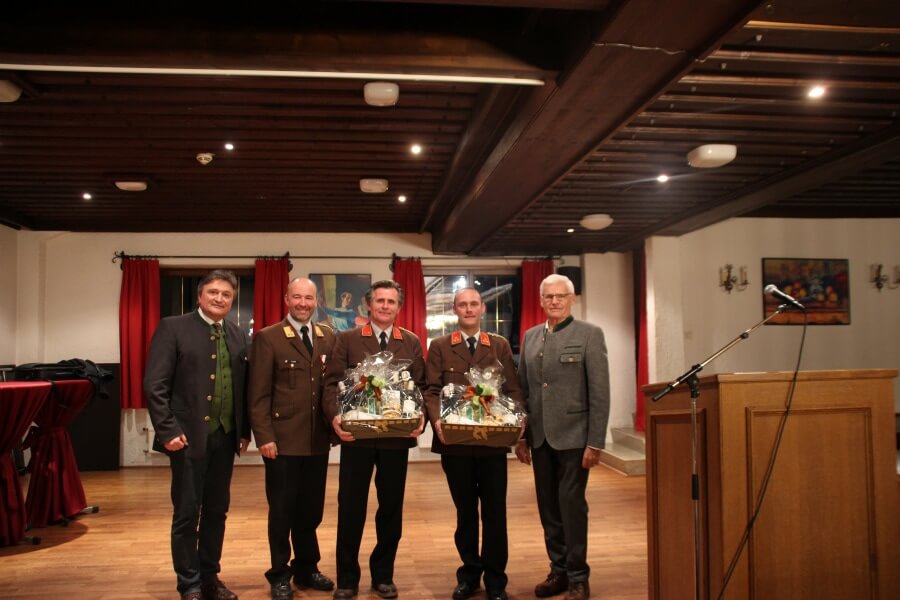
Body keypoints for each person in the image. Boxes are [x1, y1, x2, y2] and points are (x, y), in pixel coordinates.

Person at [145, 269, 250, 600]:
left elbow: (242, 387)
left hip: (225, 437)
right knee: (187, 514)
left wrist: (243, 431)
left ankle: (209, 578)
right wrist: (167, 430)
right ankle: (188, 583)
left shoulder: (237, 334)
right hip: (186, 439)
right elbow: (155, 385)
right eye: (213, 292)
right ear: (200, 296)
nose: (220, 298)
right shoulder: (173, 327)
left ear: (232, 300)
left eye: (226, 294)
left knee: (217, 512)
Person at [323, 280, 426, 600]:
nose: (385, 306)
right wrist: (335, 417)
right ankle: (347, 579)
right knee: (350, 508)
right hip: (358, 437)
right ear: (368, 305)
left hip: (396, 438)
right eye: (380, 301)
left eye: (391, 302)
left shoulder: (410, 341)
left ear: (399, 307)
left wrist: (421, 416)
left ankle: (383, 574)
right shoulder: (348, 339)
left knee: (391, 508)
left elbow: (420, 387)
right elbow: (331, 384)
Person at [424, 288, 524, 600]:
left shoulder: (498, 345)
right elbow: (431, 390)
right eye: (462, 305)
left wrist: (518, 419)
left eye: (473, 304)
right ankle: (469, 575)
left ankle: (496, 581)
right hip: (455, 444)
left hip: (492, 443)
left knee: (495, 513)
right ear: (455, 309)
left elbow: (512, 390)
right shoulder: (440, 346)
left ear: (482, 308)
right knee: (465, 512)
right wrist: (437, 421)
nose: (468, 309)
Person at [515, 274, 610, 600]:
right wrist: (521, 437)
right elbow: (524, 391)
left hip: (574, 438)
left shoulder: (589, 334)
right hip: (540, 438)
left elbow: (600, 392)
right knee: (548, 509)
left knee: (571, 508)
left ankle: (579, 578)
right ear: (541, 300)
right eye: (548, 296)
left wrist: (595, 442)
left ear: (572, 299)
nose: (554, 301)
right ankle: (559, 571)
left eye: (560, 296)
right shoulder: (530, 336)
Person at [248, 277, 338, 599]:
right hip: (282, 442)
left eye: (309, 298)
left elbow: (332, 387)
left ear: (316, 302)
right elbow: (258, 394)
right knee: (282, 511)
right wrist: (264, 437)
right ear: (286, 299)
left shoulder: (327, 336)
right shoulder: (268, 337)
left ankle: (307, 568)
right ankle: (279, 573)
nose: (303, 303)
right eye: (297, 297)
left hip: (316, 441)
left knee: (311, 511)